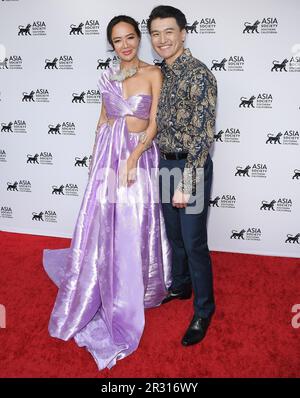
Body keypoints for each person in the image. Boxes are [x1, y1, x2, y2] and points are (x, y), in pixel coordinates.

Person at [43, 15, 171, 370]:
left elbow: (155, 121)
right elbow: (103, 119)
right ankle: (103, 276)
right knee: (104, 220)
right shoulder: (107, 77)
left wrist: (133, 157)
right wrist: (94, 157)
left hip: (138, 155)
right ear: (111, 45)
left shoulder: (153, 73)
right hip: (107, 154)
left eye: (130, 37)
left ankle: (139, 285)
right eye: (118, 40)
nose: (125, 45)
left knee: (135, 219)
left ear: (138, 38)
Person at [148, 5, 217, 346]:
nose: (162, 39)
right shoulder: (160, 73)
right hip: (165, 163)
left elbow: (203, 137)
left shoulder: (199, 74)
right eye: (155, 33)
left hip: (193, 166)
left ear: (183, 32)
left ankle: (204, 310)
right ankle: (181, 285)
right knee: (173, 234)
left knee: (193, 241)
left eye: (168, 31)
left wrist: (187, 184)